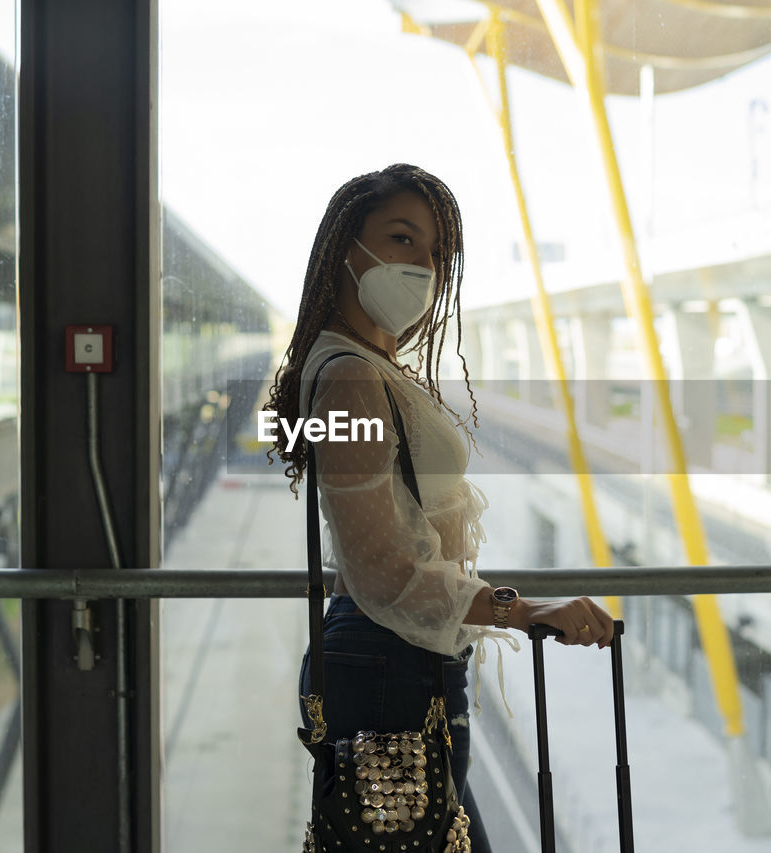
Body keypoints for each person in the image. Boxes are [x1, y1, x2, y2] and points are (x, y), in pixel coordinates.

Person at [266, 163, 614, 850]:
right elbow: (386, 571)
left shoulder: (365, 367)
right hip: (387, 665)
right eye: (402, 239)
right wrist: (525, 609)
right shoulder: (351, 381)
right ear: (346, 248)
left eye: (437, 252)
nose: (424, 265)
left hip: (393, 660)